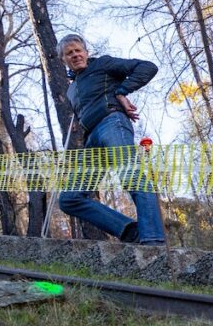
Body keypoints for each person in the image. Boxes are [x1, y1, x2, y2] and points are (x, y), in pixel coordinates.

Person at [57, 33, 167, 246]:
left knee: (130, 175)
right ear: (63, 59)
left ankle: (153, 240)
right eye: (69, 53)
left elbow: (147, 67)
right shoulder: (71, 90)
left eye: (78, 50)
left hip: (112, 123)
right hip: (92, 140)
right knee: (69, 198)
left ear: (86, 53)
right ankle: (130, 231)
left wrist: (122, 91)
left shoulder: (102, 64)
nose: (75, 55)